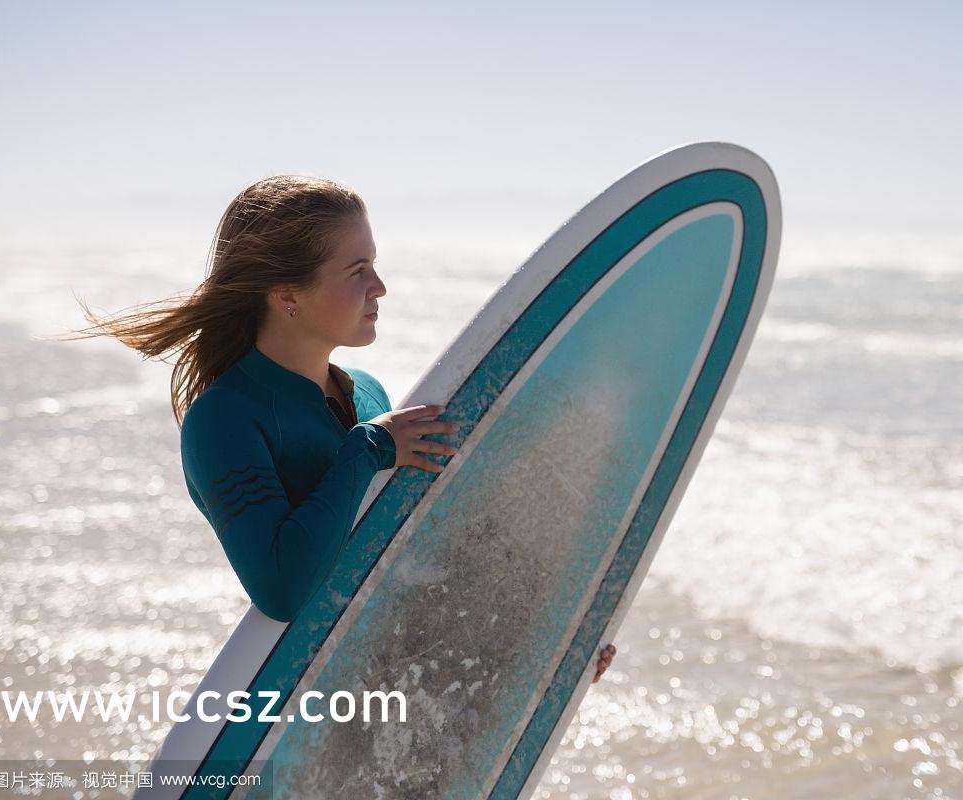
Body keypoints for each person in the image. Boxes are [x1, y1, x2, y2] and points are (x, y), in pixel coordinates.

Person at [65, 174, 616, 683]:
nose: (380, 286)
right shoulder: (224, 421)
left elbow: (428, 547)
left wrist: (549, 645)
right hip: (330, 705)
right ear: (287, 296)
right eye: (357, 272)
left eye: (374, 265)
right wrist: (367, 448)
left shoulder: (368, 393)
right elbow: (281, 588)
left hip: (413, 677)